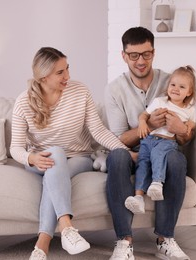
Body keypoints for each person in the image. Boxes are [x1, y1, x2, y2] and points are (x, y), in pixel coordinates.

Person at [10, 47, 134, 260]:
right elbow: (16, 148)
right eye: (60, 72)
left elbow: (98, 130)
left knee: (56, 168)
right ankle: (66, 227)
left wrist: (125, 151)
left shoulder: (79, 91)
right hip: (40, 161)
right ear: (43, 76)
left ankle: (43, 244)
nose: (67, 76)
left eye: (67, 69)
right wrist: (31, 158)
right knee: (55, 154)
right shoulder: (23, 102)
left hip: (79, 157)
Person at [105, 27, 194, 260]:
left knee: (176, 158)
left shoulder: (171, 81)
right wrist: (150, 125)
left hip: (164, 152)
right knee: (116, 156)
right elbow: (119, 139)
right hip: (132, 154)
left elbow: (186, 135)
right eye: (134, 55)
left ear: (153, 52)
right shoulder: (115, 89)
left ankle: (166, 239)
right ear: (124, 55)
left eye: (146, 54)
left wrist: (182, 130)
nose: (141, 61)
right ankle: (124, 241)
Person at [124, 65, 196, 215]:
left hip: (166, 141)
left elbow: (192, 124)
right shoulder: (160, 101)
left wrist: (188, 126)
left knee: (158, 154)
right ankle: (138, 198)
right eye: (173, 84)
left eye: (182, 87)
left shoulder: (189, 109)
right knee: (142, 164)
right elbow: (143, 115)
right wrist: (143, 123)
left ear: (189, 92)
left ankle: (157, 182)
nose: (176, 89)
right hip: (148, 140)